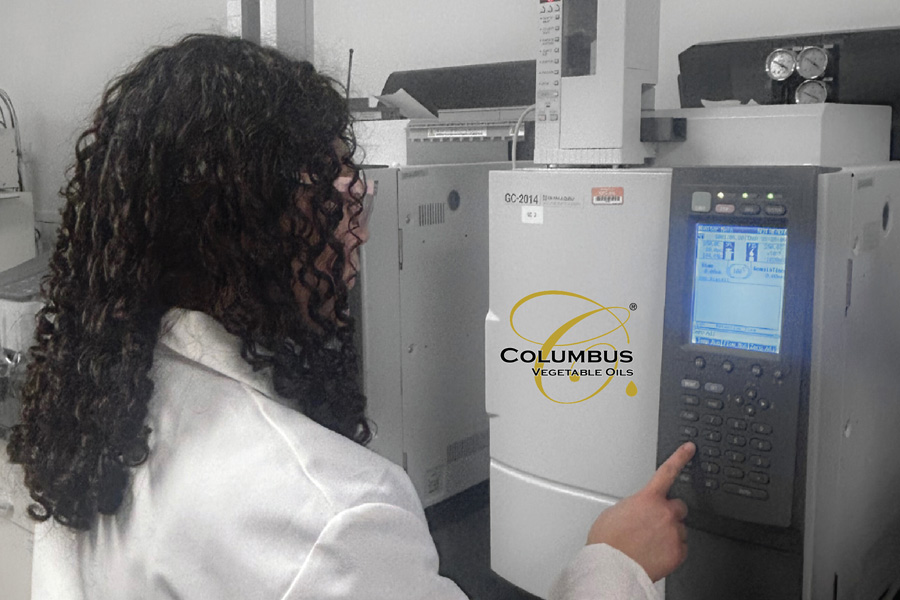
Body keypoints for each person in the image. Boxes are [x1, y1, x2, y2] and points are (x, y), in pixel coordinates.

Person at [7, 34, 694, 599]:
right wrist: (612, 563)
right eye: (343, 198)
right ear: (246, 225)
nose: (358, 230)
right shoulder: (328, 514)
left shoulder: (91, 408)